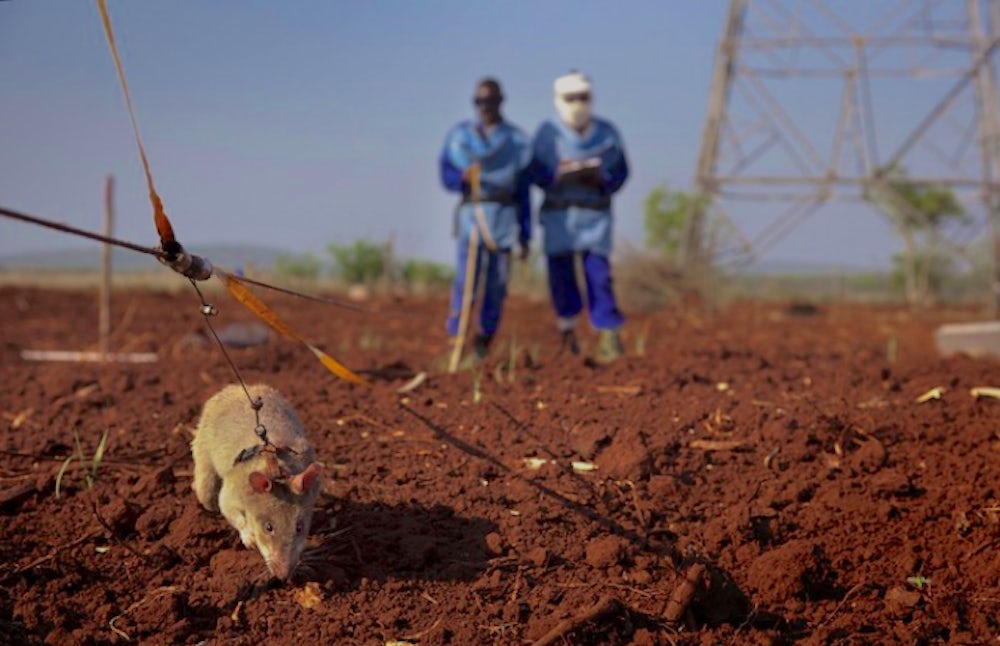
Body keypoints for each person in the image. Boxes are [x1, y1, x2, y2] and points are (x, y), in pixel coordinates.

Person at [530, 71, 630, 363]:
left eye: (583, 97)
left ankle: (609, 336)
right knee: (561, 279)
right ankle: (567, 335)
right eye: (571, 98)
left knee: (598, 277)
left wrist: (599, 176)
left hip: (594, 218)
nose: (577, 104)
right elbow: (536, 173)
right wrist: (556, 174)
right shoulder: (547, 134)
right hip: (559, 218)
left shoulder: (608, 133)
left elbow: (620, 171)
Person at [439, 78, 532, 359]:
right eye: (480, 102)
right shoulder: (459, 139)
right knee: (465, 281)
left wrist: (525, 234)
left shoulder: (517, 141)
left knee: (497, 284)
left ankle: (483, 342)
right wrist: (461, 178)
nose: (485, 107)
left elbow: (524, 191)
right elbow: (445, 175)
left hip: (504, 219)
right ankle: (456, 338)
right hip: (472, 216)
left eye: (491, 101)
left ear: (501, 101)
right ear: (474, 104)